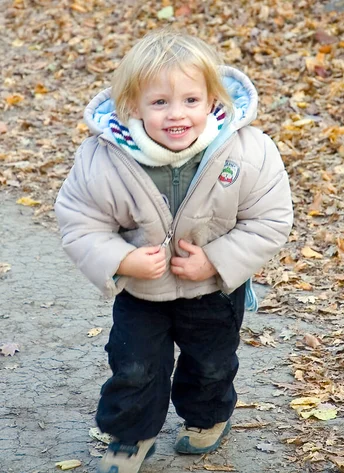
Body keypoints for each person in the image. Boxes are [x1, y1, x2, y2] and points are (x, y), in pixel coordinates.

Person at [54, 29, 293, 473]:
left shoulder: (249, 152)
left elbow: (270, 219)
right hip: (142, 292)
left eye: (190, 100)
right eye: (159, 102)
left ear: (212, 100)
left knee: (212, 365)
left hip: (214, 290)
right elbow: (79, 221)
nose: (176, 114)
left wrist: (217, 261)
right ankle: (131, 436)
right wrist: (121, 260)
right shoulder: (103, 159)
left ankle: (207, 418)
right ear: (131, 106)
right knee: (134, 366)